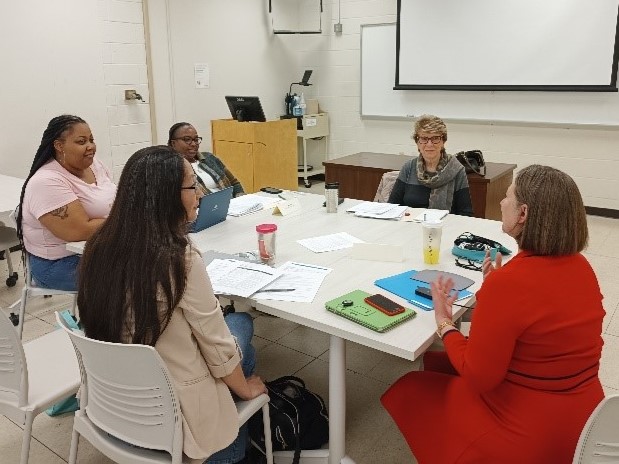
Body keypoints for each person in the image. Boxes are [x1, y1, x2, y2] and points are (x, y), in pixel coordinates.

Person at [381, 165, 605, 464]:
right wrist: (495, 290)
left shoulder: (510, 283)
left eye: (508, 196)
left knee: (410, 387)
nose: (502, 202)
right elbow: (538, 319)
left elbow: (479, 376)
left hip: (530, 436)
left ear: (522, 214)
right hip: (587, 422)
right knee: (437, 362)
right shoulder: (582, 267)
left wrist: (445, 322)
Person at [77, 146, 265, 464]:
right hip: (178, 416)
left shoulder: (98, 245)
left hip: (113, 400)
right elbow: (217, 347)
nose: (199, 194)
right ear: (167, 195)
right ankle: (235, 450)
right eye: (193, 186)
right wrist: (246, 390)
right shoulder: (180, 258)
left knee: (239, 327)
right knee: (241, 329)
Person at [16, 114, 116, 291]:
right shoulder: (47, 182)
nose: (90, 146)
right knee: (136, 274)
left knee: (159, 260)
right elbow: (78, 231)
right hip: (58, 264)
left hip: (96, 248)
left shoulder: (94, 165)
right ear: (59, 145)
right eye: (81, 141)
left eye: (91, 140)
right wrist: (127, 219)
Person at [387, 114, 473, 216]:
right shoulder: (409, 168)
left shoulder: (456, 170)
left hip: (443, 228)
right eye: (424, 138)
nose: (429, 144)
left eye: (435, 138)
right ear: (417, 142)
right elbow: (392, 207)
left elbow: (466, 213)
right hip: (410, 226)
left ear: (443, 141)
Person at [168, 122, 244, 197]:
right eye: (187, 139)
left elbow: (234, 183)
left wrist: (242, 199)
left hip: (232, 204)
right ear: (173, 144)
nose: (194, 144)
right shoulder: (173, 169)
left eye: (196, 139)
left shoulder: (209, 157)